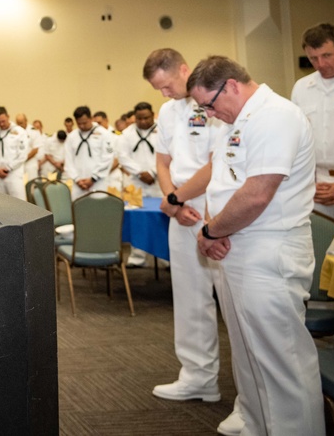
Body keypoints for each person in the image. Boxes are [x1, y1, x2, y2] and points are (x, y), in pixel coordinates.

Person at [189, 56, 324, 436]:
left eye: (210, 104)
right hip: (237, 245)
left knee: (283, 362)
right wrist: (213, 227)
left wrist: (211, 233)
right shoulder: (237, 118)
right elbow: (224, 183)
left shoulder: (275, 115)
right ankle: (257, 423)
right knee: (249, 352)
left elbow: (256, 195)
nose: (210, 114)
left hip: (270, 250)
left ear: (231, 85)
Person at [143, 48, 242, 436]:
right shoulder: (167, 112)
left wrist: (179, 198)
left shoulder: (213, 97)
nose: (164, 95)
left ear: (183, 70)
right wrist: (172, 201)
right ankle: (198, 376)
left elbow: (218, 160)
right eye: (158, 89)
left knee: (232, 301)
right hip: (179, 206)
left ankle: (249, 397)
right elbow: (163, 162)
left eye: (166, 85)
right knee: (187, 296)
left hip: (217, 206)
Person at [290, 23, 334, 232]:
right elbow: (297, 141)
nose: (320, 64)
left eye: (327, 55)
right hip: (316, 188)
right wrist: (309, 183)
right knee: (325, 255)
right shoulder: (302, 87)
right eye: (313, 58)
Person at [116, 102, 161, 267]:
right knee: (136, 219)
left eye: (146, 118)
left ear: (153, 115)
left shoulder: (163, 130)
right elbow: (122, 157)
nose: (143, 122)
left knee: (160, 218)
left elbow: (169, 154)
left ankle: (163, 256)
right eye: (139, 118)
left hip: (159, 181)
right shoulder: (127, 134)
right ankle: (137, 257)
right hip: (134, 182)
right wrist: (140, 173)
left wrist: (153, 172)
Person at [63, 106, 113, 199]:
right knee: (79, 210)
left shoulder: (104, 134)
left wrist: (93, 178)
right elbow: (68, 160)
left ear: (91, 118)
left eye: (84, 123)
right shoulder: (72, 137)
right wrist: (77, 179)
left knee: (98, 210)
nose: (82, 126)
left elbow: (108, 157)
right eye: (79, 123)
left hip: (98, 182)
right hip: (78, 184)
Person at [0, 106, 29, 198]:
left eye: (3, 121)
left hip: (14, 174)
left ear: (8, 116)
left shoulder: (20, 132)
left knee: (19, 204)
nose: (1, 124)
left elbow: (22, 155)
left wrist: (8, 168)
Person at [15, 112, 43, 185]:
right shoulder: (14, 131)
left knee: (32, 186)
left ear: (26, 121)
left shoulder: (34, 131)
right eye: (18, 123)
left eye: (21, 123)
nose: (19, 125)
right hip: (18, 165)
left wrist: (24, 158)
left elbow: (35, 149)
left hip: (30, 164)